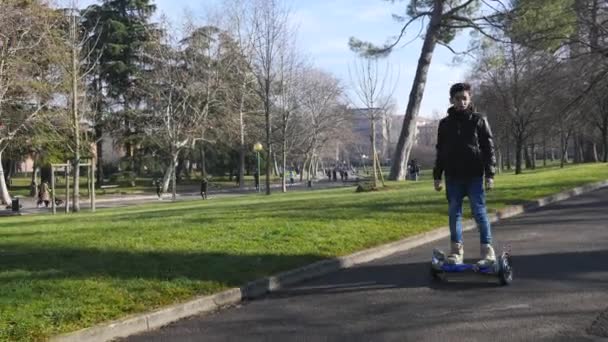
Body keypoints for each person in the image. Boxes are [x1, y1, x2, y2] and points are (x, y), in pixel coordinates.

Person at [433, 82, 497, 266]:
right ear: (451, 100)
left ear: (470, 100)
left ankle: (487, 250)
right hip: (453, 176)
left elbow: (488, 149)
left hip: (474, 175)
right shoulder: (444, 124)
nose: (461, 102)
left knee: (479, 212)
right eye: (457, 99)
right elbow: (441, 151)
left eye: (464, 98)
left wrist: (490, 174)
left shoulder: (479, 120)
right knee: (454, 213)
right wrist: (437, 176)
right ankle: (456, 251)